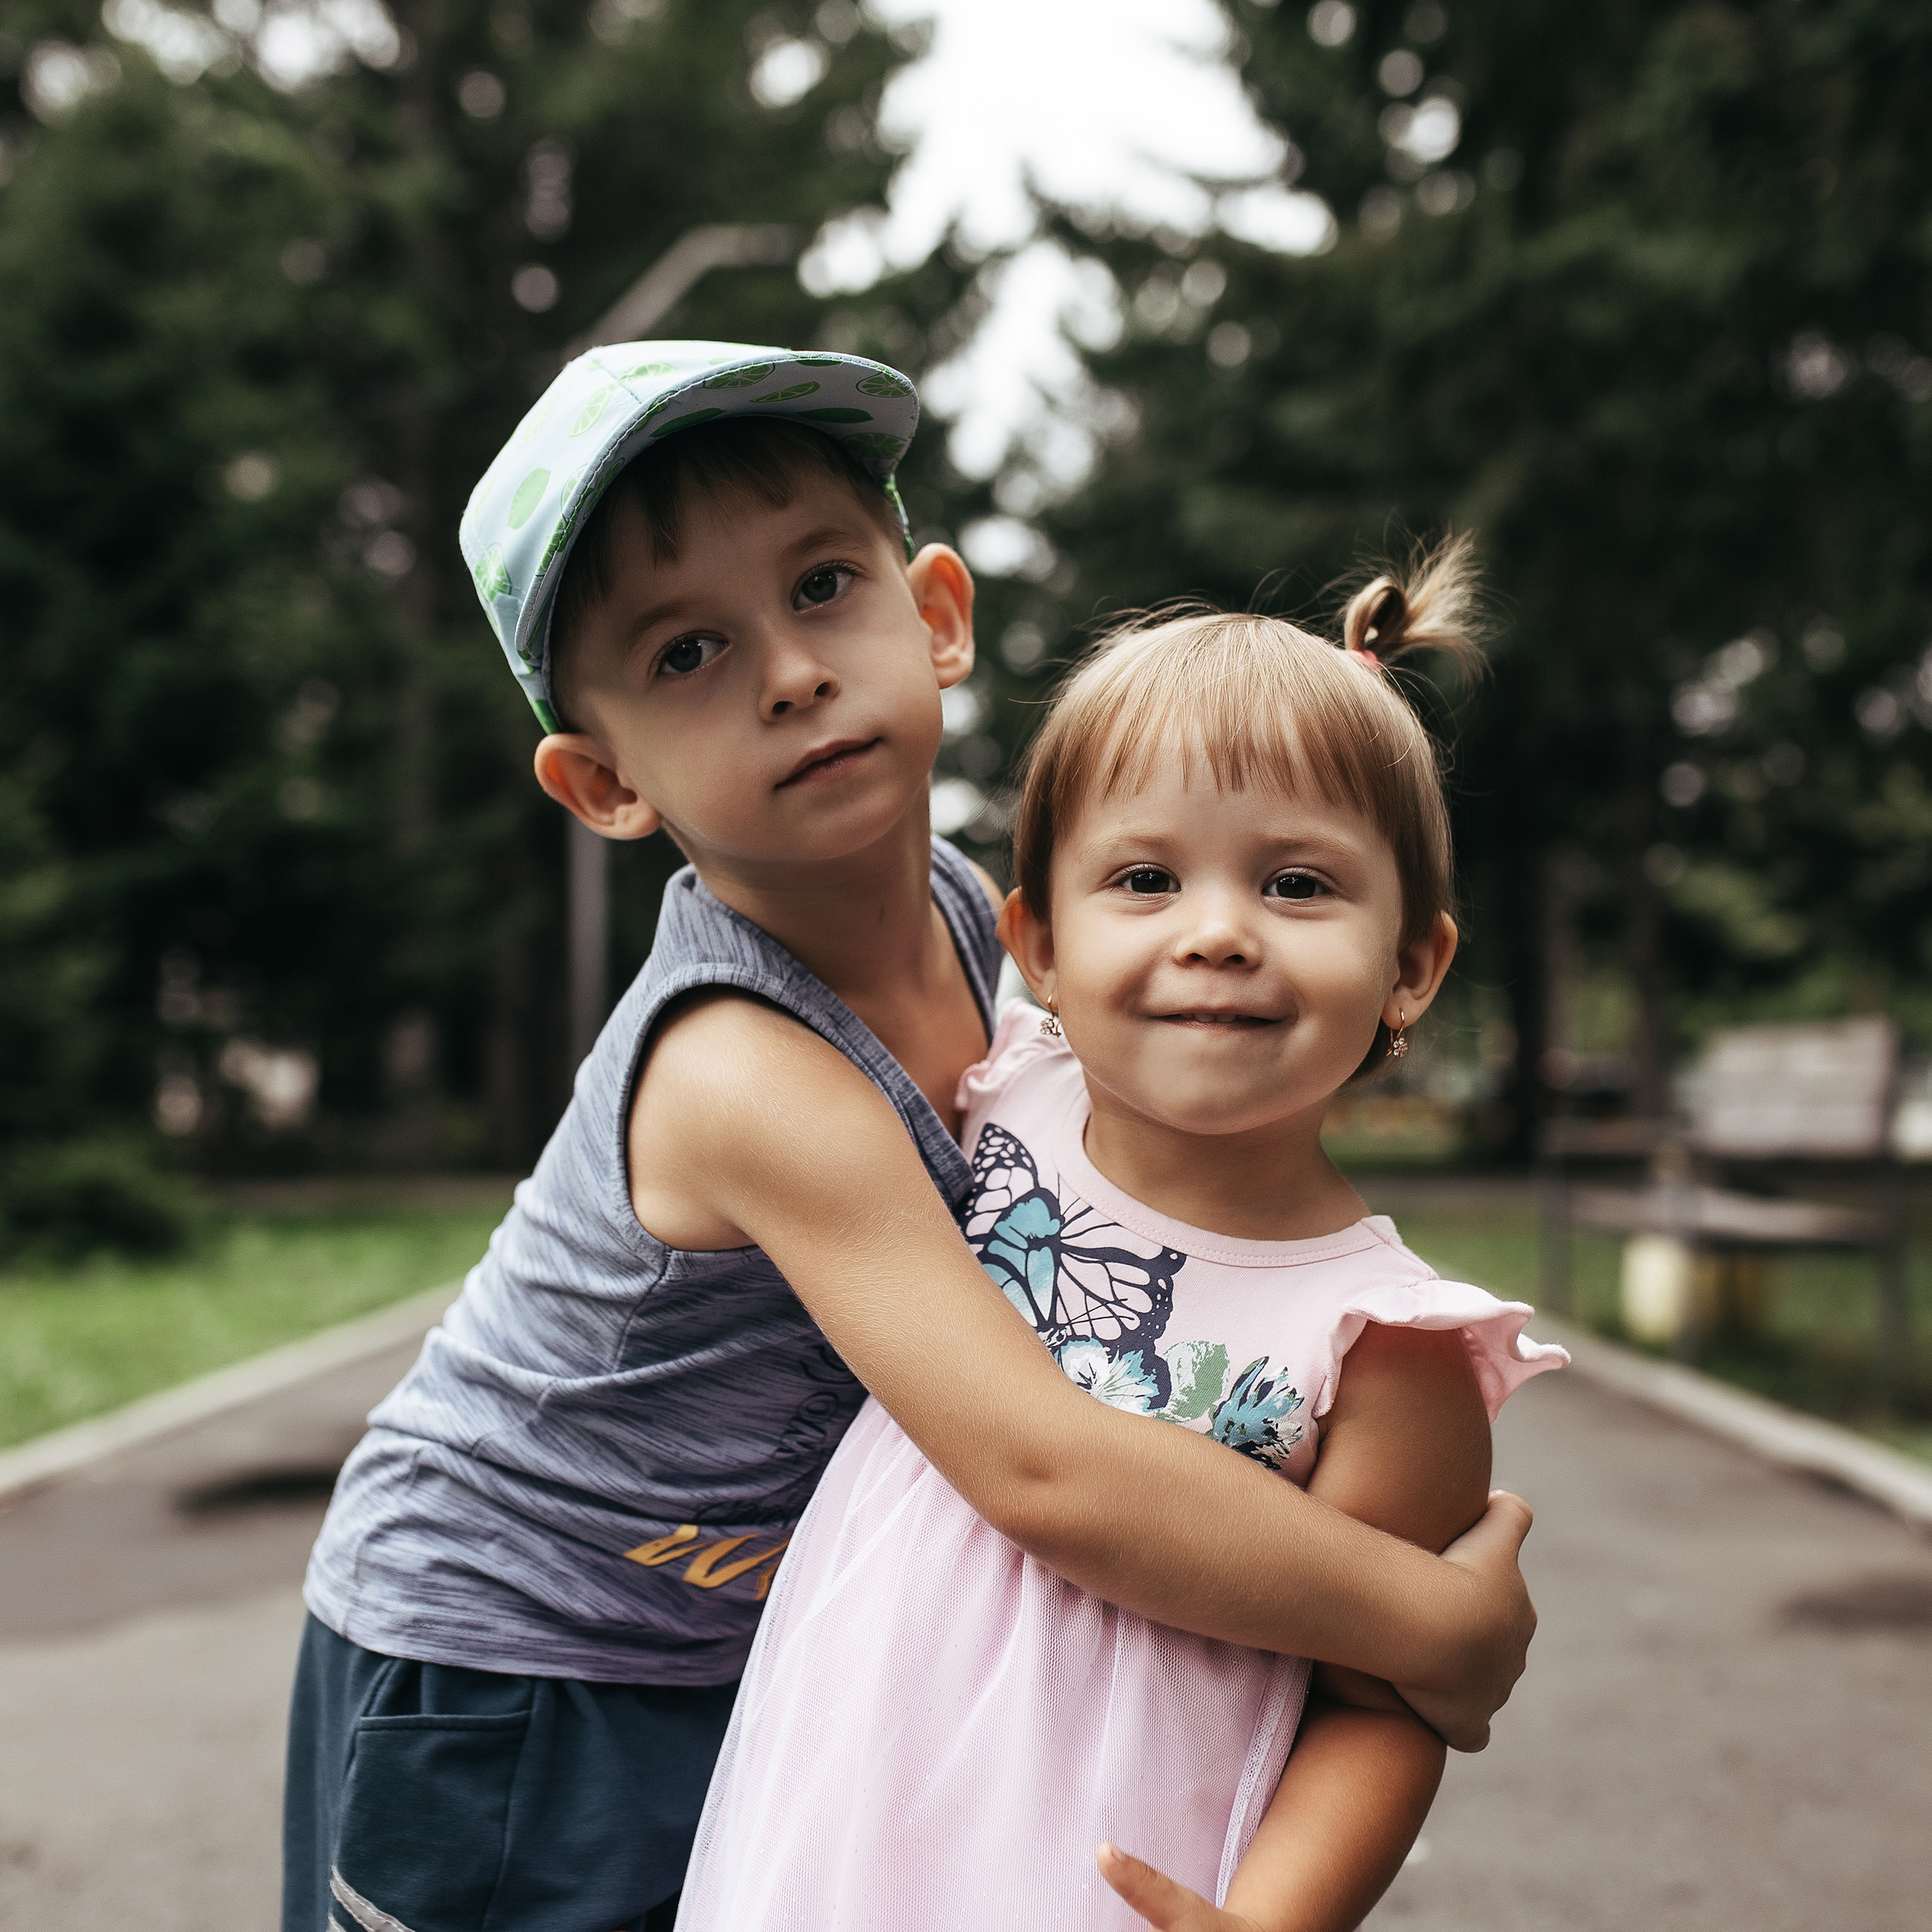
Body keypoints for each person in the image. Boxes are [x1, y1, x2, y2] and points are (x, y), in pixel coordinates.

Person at [285, 343, 1543, 1932]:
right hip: (522, 1653)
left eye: (822, 585)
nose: (789, 671)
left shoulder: (972, 913)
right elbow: (1040, 1458)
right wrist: (1427, 1621)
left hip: (728, 1624)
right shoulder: (742, 1066)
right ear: (601, 781)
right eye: (685, 651)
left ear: (934, 615)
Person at [674, 542, 1567, 1932]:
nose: (1217, 933)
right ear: (1035, 940)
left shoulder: (1388, 1344)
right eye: (1145, 880)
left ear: (1412, 967)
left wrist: (1272, 1920)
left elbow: (1386, 1709)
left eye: (1299, 886)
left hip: (1108, 1867)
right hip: (837, 1806)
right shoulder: (1003, 1089)